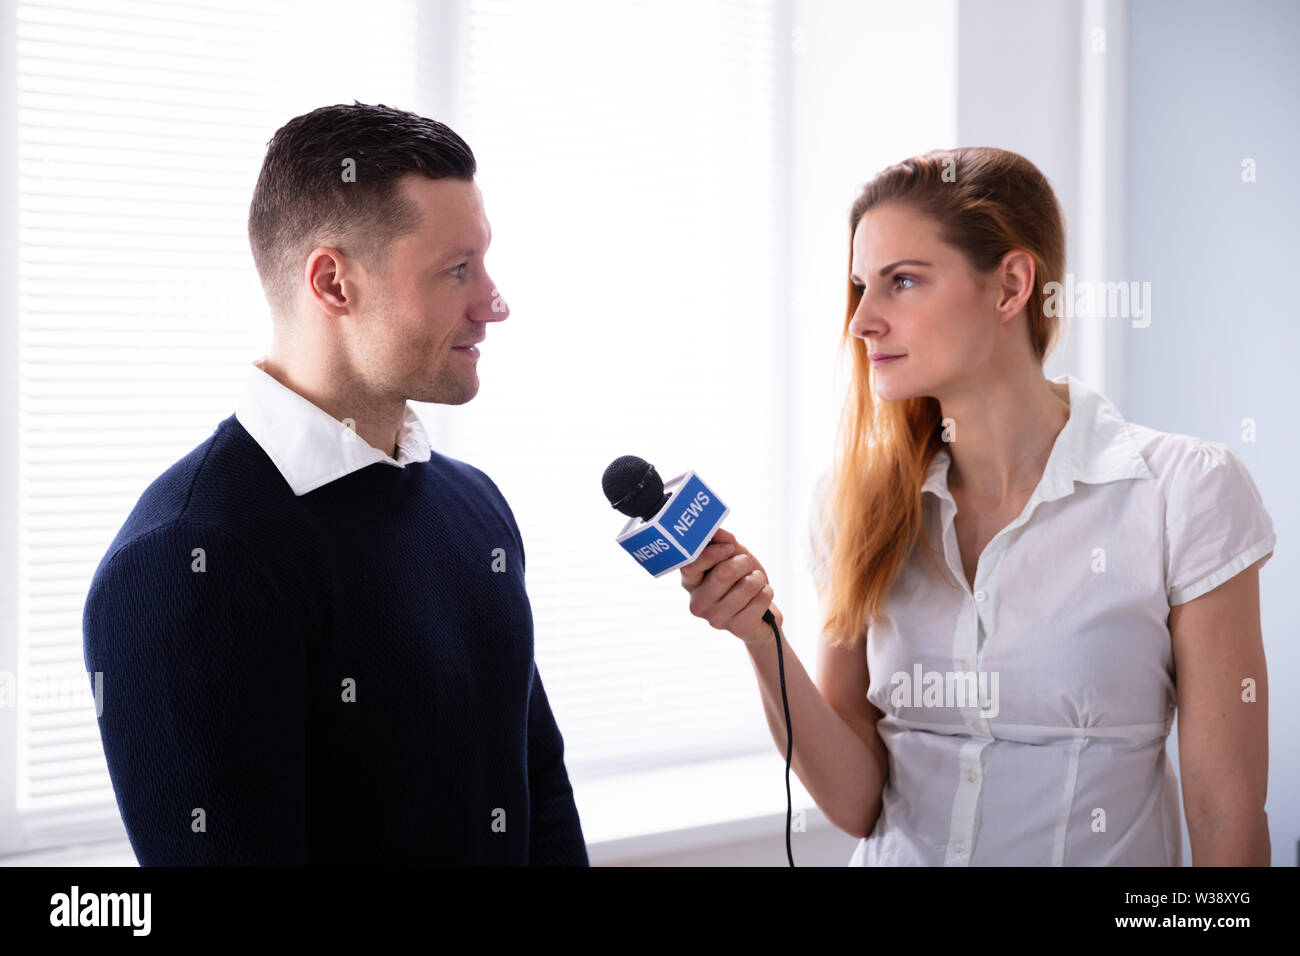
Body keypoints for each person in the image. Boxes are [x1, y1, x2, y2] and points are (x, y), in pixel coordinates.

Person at [679, 146, 1274, 866]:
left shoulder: (1186, 492)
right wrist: (760, 636)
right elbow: (857, 805)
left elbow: (1225, 819)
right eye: (860, 286)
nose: (861, 320)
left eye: (901, 282)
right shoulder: (853, 504)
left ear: (1011, 286)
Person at [81, 101, 588, 866]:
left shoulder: (475, 509)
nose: (495, 303)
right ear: (333, 283)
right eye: (457, 270)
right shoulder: (190, 560)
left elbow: (538, 801)